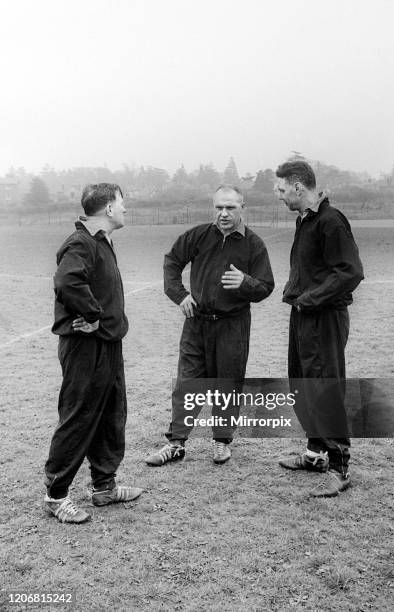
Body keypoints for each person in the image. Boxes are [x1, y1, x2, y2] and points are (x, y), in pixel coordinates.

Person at [146, 185, 274, 466]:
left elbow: (266, 286)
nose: (224, 214)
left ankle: (221, 441)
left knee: (226, 384)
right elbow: (171, 263)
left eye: (230, 207)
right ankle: (176, 443)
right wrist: (180, 296)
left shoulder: (253, 244)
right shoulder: (198, 235)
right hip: (196, 324)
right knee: (187, 383)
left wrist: (246, 283)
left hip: (232, 326)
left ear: (243, 207)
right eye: (219, 208)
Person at [44, 183, 141, 523]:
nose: (125, 209)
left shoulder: (101, 240)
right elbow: (67, 281)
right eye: (122, 203)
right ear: (109, 209)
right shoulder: (81, 242)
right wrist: (91, 313)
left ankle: (104, 486)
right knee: (79, 417)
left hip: (109, 343)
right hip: (86, 345)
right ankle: (56, 496)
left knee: (112, 414)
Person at [275, 161, 364, 497]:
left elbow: (350, 271)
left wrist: (310, 298)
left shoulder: (331, 220)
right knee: (303, 382)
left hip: (323, 317)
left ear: (300, 187)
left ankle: (340, 467)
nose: (280, 196)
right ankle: (315, 454)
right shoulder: (306, 220)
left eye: (282, 189)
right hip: (304, 314)